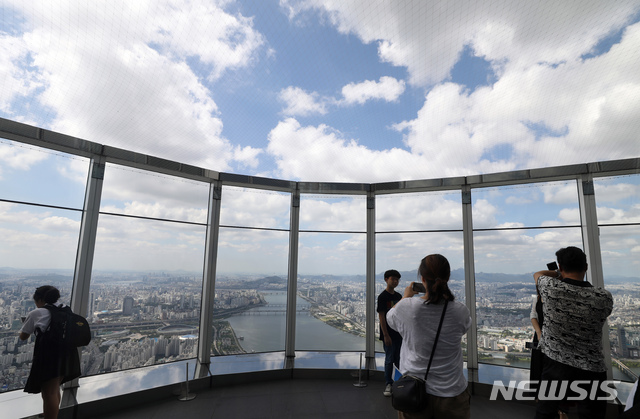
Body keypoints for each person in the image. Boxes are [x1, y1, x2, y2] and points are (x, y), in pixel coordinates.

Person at [387, 254, 471, 419]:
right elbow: (463, 328)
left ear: (422, 279)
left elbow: (391, 318)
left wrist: (405, 297)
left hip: (413, 391)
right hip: (452, 394)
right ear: (447, 278)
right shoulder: (460, 310)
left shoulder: (407, 307)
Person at [533, 247, 613, 419]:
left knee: (546, 412)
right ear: (586, 266)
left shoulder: (551, 288)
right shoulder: (604, 297)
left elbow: (538, 274)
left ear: (561, 267)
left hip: (556, 364)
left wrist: (557, 274)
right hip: (592, 367)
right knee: (591, 415)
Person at [19, 285, 81, 419]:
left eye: (36, 302)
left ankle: (51, 416)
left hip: (50, 356)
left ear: (40, 300)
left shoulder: (37, 313)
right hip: (68, 354)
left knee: (49, 392)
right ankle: (50, 412)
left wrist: (27, 324)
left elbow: (23, 336)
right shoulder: (65, 308)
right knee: (54, 388)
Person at [377, 269, 402, 397]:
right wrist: (385, 335)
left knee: (398, 359)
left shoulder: (398, 297)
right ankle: (388, 383)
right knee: (389, 359)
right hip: (388, 334)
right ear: (386, 279)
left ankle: (398, 382)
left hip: (398, 333)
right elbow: (381, 317)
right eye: (393, 279)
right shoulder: (382, 297)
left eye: (397, 279)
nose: (396, 281)